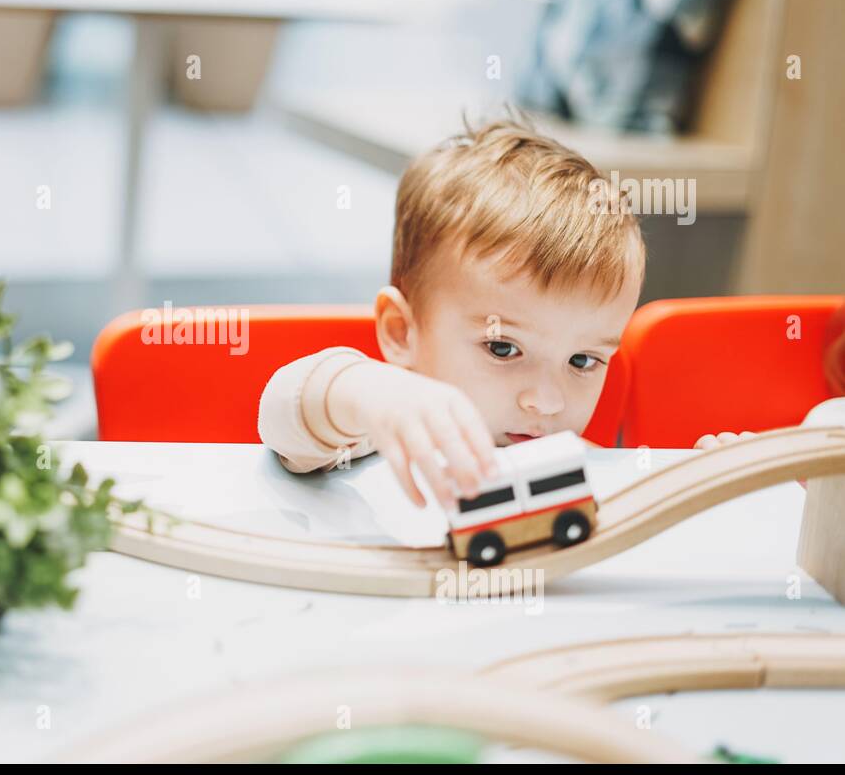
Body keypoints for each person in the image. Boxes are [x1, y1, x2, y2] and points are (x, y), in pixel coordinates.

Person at [257, 120, 749, 511]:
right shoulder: (379, 434)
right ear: (401, 331)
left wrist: (708, 489)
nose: (547, 401)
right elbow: (282, 415)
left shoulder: (592, 468)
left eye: (582, 361)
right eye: (503, 348)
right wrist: (368, 393)